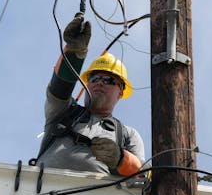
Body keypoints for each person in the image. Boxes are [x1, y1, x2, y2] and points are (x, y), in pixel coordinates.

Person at [36, 14, 145, 176]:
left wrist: (120, 159)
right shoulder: (64, 112)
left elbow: (143, 176)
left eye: (108, 80)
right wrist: (74, 53)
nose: (99, 82)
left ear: (120, 92)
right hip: (41, 189)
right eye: (94, 78)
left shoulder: (126, 134)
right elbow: (59, 88)